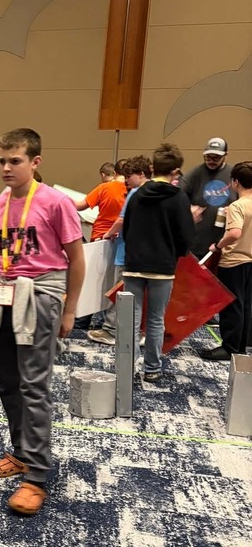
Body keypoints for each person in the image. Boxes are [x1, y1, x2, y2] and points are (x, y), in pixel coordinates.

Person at [0, 128, 84, 516]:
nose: (6, 168)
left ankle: (37, 476)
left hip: (41, 297)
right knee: (8, 382)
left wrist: (70, 309)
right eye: (2, 161)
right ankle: (23, 453)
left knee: (34, 386)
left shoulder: (56, 203)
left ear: (35, 162)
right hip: (5, 298)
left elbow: (78, 259)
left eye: (15, 161)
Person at [122, 143, 193, 382]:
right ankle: (152, 368)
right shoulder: (179, 198)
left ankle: (126, 368)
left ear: (152, 167)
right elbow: (185, 235)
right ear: (175, 171)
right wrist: (177, 253)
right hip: (162, 267)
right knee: (155, 319)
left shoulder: (136, 194)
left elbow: (127, 228)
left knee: (130, 318)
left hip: (133, 265)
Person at [88, 155, 152, 346]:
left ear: (140, 174)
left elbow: (121, 220)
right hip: (146, 254)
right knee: (138, 296)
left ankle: (112, 330)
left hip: (127, 252)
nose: (126, 182)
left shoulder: (135, 193)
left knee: (121, 291)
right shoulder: (156, 192)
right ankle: (134, 331)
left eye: (128, 177)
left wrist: (108, 234)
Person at [200, 161, 252, 361]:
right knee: (246, 305)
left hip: (234, 261)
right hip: (250, 260)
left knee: (232, 306)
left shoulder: (237, 206)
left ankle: (229, 347)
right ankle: (240, 347)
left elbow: (234, 232)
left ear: (235, 182)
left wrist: (219, 246)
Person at [180, 137, 236, 258]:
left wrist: (235, 209)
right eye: (208, 157)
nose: (211, 161)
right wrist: (187, 208)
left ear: (225, 155)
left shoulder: (234, 174)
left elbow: (246, 200)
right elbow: (176, 195)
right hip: (198, 242)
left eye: (216, 158)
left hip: (226, 244)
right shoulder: (195, 173)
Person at [75, 162, 127, 241]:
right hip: (123, 236)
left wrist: (63, 198)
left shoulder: (103, 188)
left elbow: (79, 206)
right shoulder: (134, 190)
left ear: (115, 173)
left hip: (101, 234)